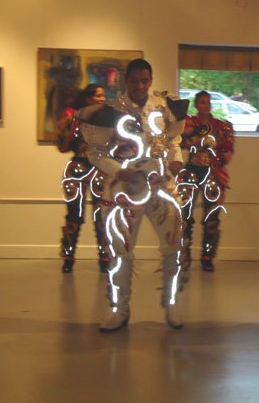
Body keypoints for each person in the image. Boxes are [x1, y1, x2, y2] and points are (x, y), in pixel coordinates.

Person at [81, 58, 189, 332]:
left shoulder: (164, 107)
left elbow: (174, 141)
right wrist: (119, 171)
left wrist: (177, 160)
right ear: (125, 81)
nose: (140, 86)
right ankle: (119, 308)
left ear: (150, 81)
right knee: (120, 250)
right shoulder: (111, 111)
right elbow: (95, 152)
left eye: (144, 80)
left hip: (162, 185)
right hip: (125, 190)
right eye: (134, 80)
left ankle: (171, 302)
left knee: (173, 245)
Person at [177, 91, 234, 272]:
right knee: (185, 215)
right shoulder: (188, 123)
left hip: (212, 172)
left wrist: (216, 157)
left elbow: (228, 150)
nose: (206, 105)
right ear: (196, 104)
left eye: (208, 102)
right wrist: (195, 138)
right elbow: (180, 142)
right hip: (192, 170)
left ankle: (207, 257)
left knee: (212, 217)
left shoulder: (221, 126)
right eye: (202, 102)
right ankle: (184, 254)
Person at [56, 84, 110, 274]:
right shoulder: (74, 115)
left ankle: (105, 257)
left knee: (101, 215)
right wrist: (73, 122)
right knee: (74, 215)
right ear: (88, 98)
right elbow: (62, 144)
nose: (102, 99)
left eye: (103, 95)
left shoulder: (109, 118)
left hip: (100, 169)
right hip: (78, 167)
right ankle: (68, 257)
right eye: (98, 95)